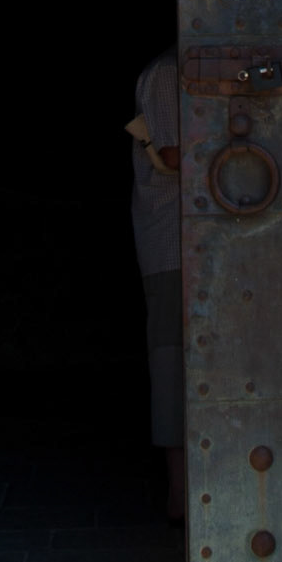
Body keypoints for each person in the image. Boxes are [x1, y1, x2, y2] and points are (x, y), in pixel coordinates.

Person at [127, 47, 184, 521]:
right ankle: (180, 497)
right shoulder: (168, 72)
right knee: (173, 367)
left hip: (193, 244)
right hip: (174, 245)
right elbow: (173, 154)